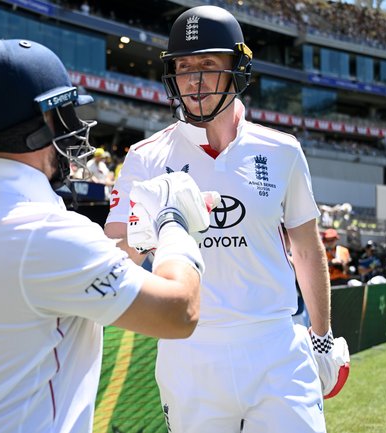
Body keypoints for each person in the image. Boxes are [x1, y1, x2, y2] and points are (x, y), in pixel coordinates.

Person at [0, 39, 214, 433]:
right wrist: (175, 222)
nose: (72, 125)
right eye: (62, 112)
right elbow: (180, 313)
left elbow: (68, 281)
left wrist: (140, 235)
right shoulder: (45, 234)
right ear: (39, 125)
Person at [104, 6, 349, 432]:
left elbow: (307, 251)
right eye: (183, 67)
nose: (194, 81)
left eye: (208, 65)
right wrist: (146, 235)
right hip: (189, 350)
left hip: (275, 343)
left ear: (237, 70)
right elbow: (117, 259)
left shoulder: (282, 150)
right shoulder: (145, 159)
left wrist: (322, 335)